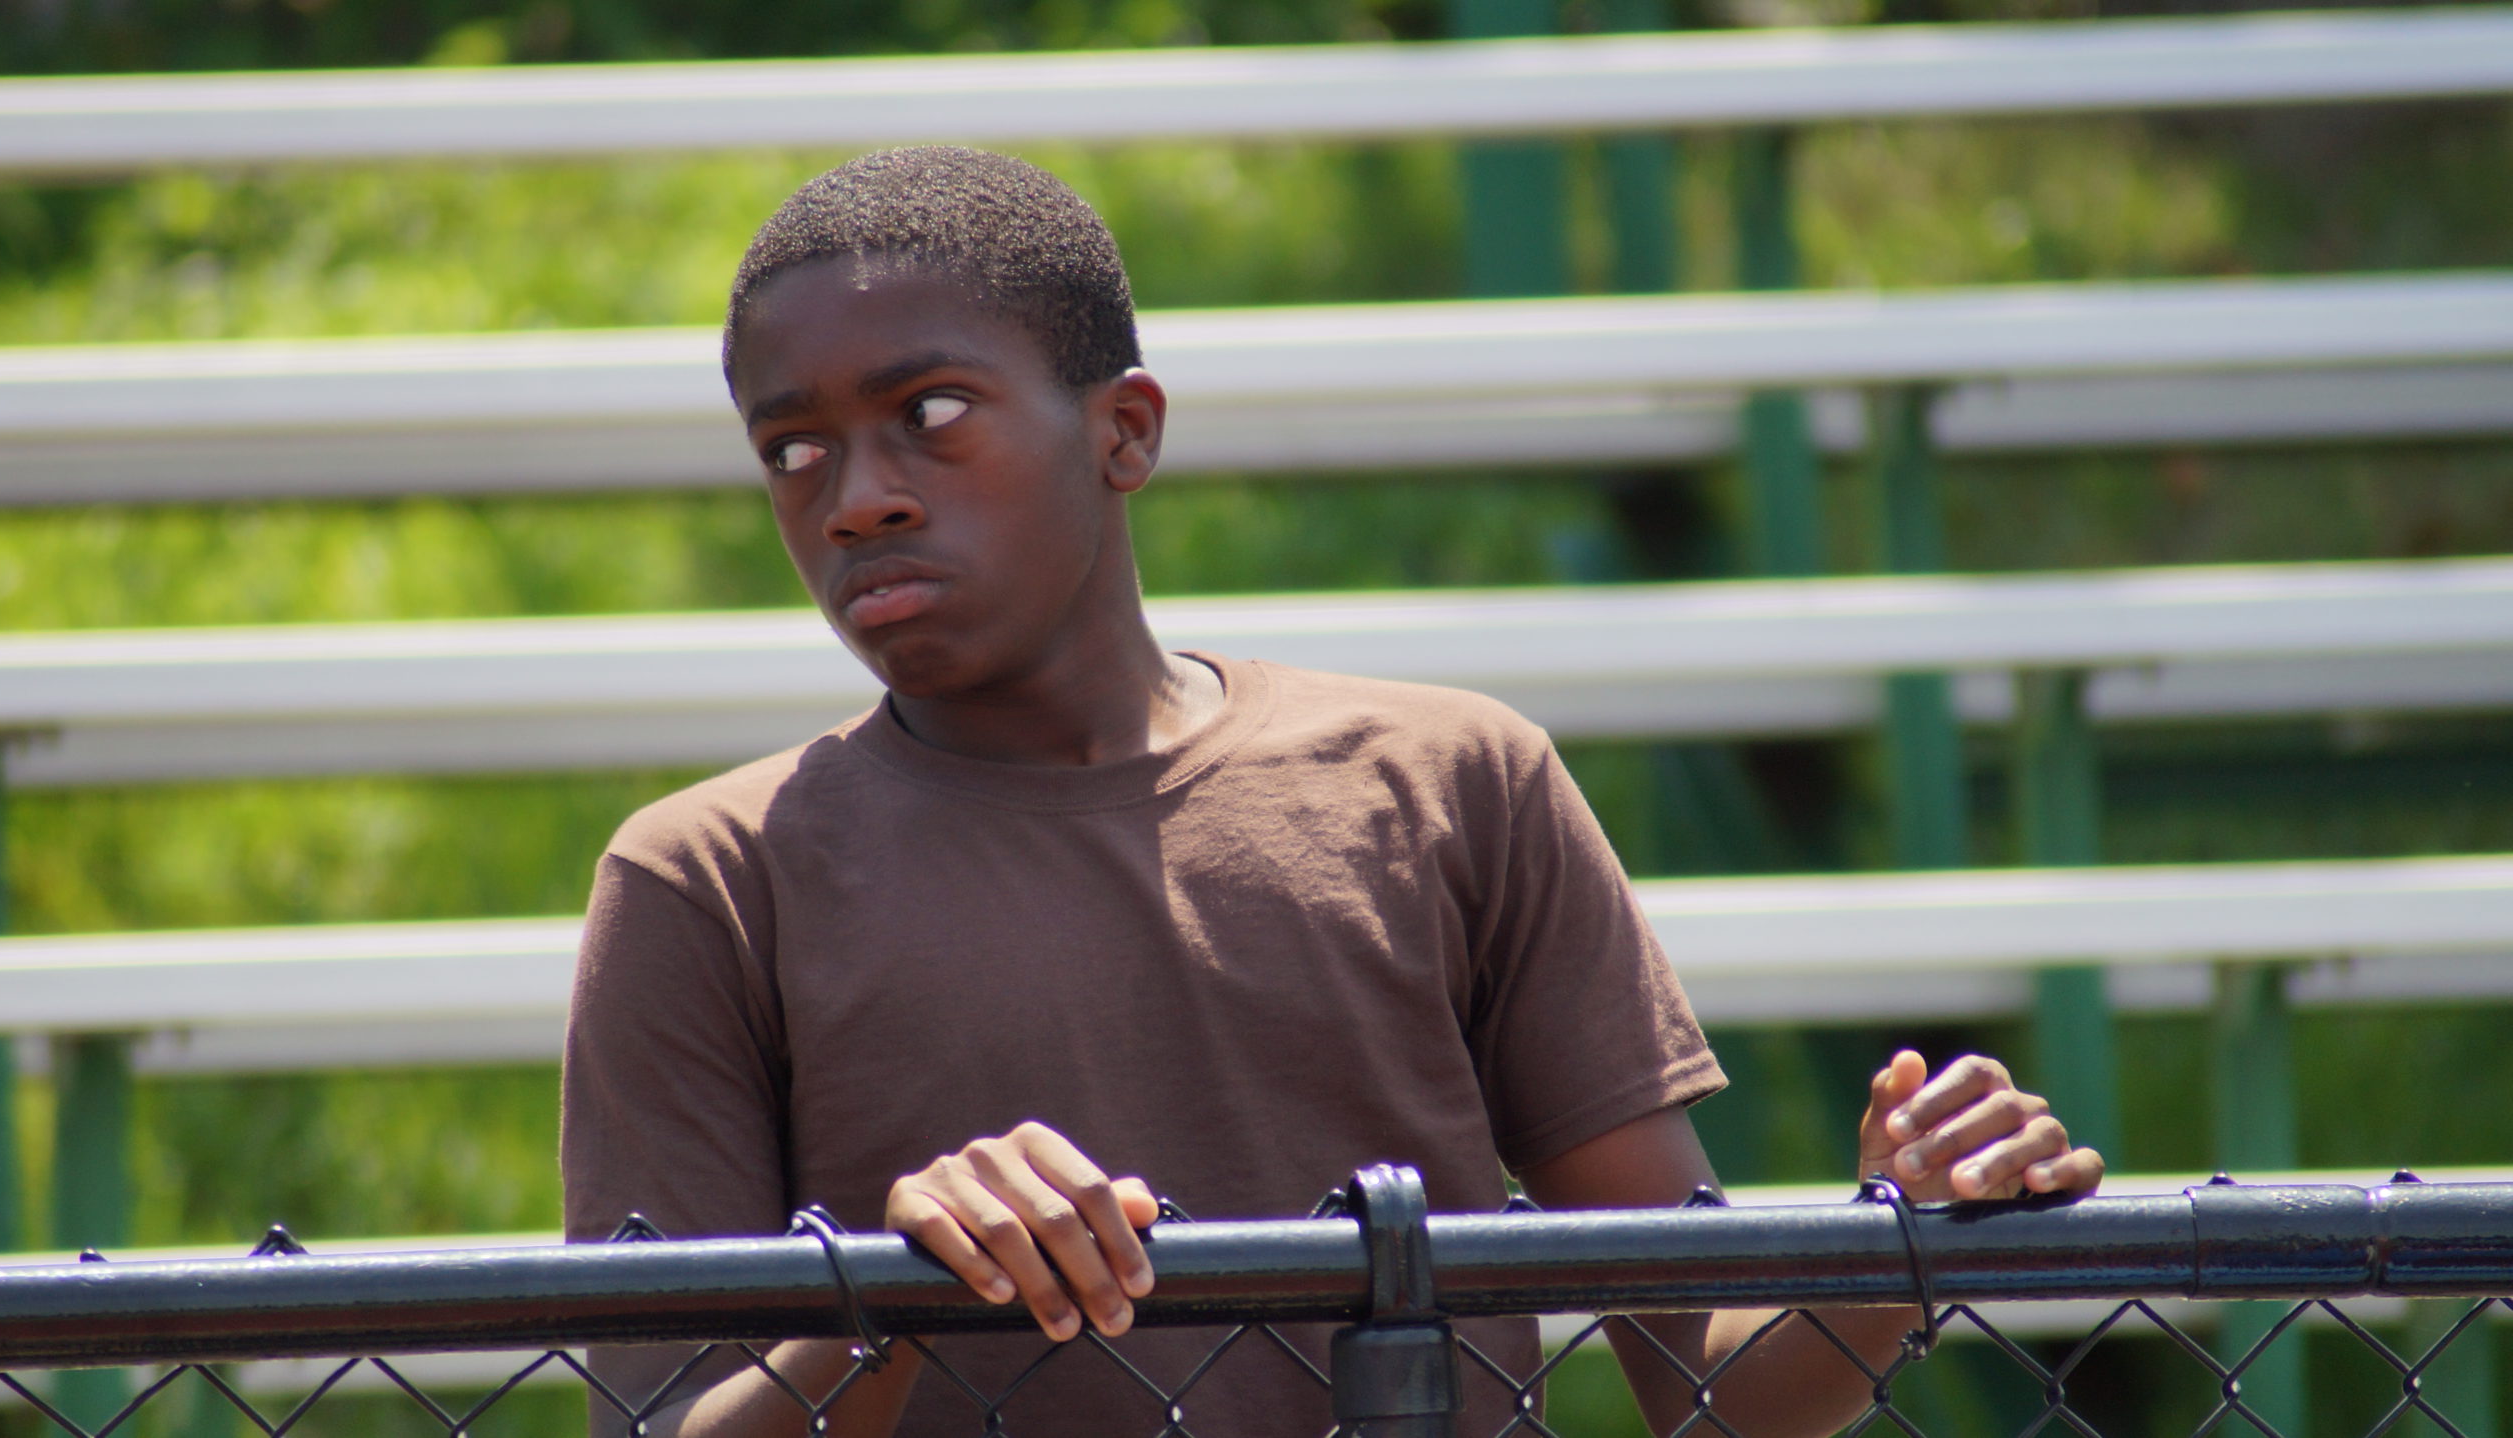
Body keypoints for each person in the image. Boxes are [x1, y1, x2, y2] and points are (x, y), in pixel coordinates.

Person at [560, 146, 2105, 1438]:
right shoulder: (709, 879)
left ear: (1124, 430)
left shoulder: (1449, 781)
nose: (856, 498)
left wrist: (1896, 1235)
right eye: (792, 450)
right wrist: (891, 1297)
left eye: (934, 416)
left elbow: (1711, 1380)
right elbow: (661, 1421)